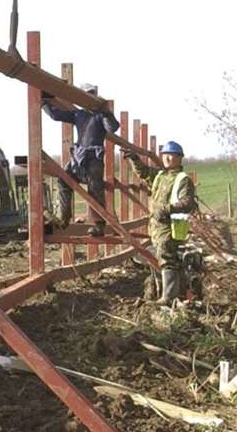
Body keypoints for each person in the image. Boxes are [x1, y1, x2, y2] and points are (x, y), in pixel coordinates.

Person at [125, 141, 196, 305]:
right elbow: (144, 173)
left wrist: (166, 209)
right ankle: (172, 293)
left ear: (179, 158)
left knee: (166, 257)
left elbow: (188, 203)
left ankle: (168, 297)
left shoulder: (182, 179)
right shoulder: (160, 176)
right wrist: (134, 159)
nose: (167, 158)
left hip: (170, 227)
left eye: (171, 155)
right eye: (164, 155)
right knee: (162, 258)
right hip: (157, 227)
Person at [42, 84, 120, 217]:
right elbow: (56, 115)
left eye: (91, 94)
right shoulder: (78, 114)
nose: (88, 98)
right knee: (64, 180)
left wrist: (107, 112)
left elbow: (112, 127)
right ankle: (64, 218)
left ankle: (98, 224)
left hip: (94, 158)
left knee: (95, 188)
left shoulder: (100, 115)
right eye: (86, 95)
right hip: (79, 157)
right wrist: (44, 101)